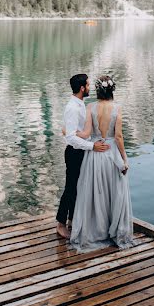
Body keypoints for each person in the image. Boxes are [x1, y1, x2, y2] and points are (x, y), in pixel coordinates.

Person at [69, 74, 136, 252]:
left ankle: (97, 231)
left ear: (98, 89)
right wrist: (124, 159)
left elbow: (86, 133)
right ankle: (115, 231)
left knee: (96, 193)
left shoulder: (90, 106)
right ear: (112, 89)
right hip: (112, 152)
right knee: (115, 192)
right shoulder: (117, 108)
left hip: (96, 153)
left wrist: (70, 131)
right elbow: (119, 137)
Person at [56, 73, 110, 239]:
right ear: (81, 88)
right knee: (71, 188)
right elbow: (70, 137)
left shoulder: (80, 104)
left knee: (79, 188)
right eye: (87, 85)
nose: (89, 88)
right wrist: (92, 146)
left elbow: (76, 130)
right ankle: (60, 223)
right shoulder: (73, 108)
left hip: (82, 152)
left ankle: (73, 219)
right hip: (74, 152)